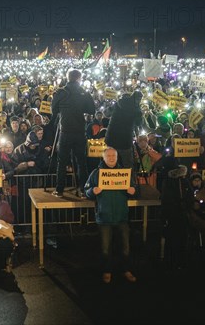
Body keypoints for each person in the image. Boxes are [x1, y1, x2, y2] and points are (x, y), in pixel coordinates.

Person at [84, 147, 137, 284]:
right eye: (109, 156)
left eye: (114, 155)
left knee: (125, 247)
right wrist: (92, 191)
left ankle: (126, 270)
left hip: (122, 216)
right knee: (105, 249)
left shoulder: (125, 174)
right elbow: (86, 190)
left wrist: (133, 191)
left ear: (117, 157)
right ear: (104, 157)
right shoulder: (96, 173)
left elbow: (135, 189)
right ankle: (107, 271)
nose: (112, 158)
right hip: (104, 216)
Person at [51, 68, 96, 197]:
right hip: (79, 131)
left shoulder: (60, 92)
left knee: (62, 161)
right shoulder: (83, 92)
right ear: (79, 78)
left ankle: (59, 190)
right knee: (81, 162)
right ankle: (83, 189)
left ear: (68, 77)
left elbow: (54, 110)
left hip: (65, 131)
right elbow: (92, 110)